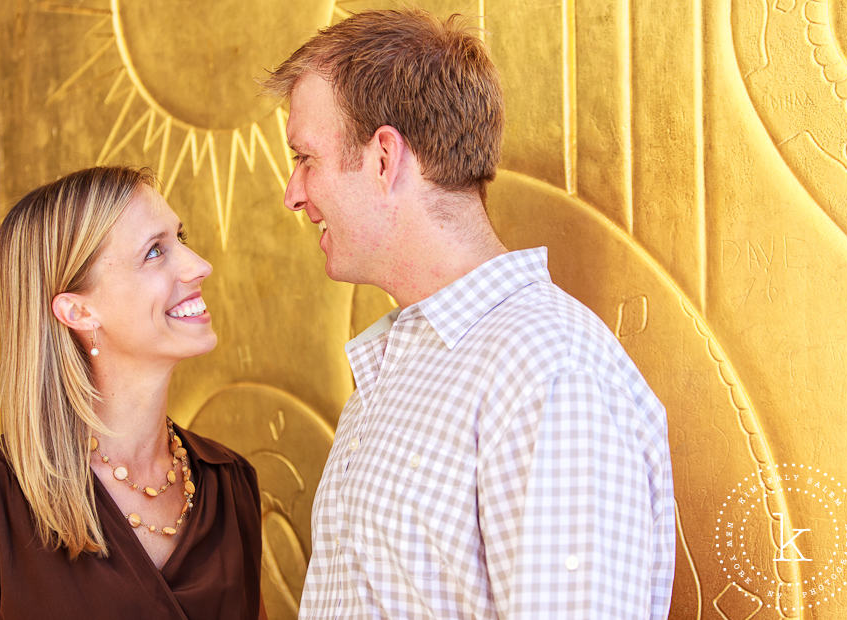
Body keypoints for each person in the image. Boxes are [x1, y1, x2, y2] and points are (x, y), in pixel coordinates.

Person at [264, 8, 676, 619]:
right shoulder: (401, 369)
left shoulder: (550, 372)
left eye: (306, 158)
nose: (293, 193)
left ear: (383, 158)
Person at [0, 167, 265, 619]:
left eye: (181, 237)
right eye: (155, 251)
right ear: (78, 310)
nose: (199, 265)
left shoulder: (231, 482)